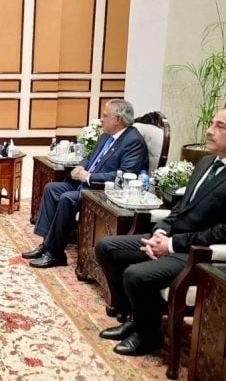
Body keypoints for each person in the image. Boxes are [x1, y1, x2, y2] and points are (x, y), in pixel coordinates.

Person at [95, 108, 226, 357]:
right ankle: (136, 317)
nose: (210, 131)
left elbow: (222, 232)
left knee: (135, 275)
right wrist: (161, 231)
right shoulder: (206, 163)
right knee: (107, 247)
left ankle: (149, 336)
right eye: (212, 123)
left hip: (196, 253)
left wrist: (172, 245)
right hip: (171, 238)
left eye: (220, 126)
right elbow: (180, 207)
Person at [24, 99, 148, 268]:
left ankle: (56, 255)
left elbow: (125, 175)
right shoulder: (107, 135)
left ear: (118, 119)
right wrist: (81, 167)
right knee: (52, 188)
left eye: (105, 115)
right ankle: (47, 246)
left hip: (99, 191)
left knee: (67, 198)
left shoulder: (133, 141)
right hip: (84, 184)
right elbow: (90, 157)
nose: (101, 119)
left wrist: (89, 177)